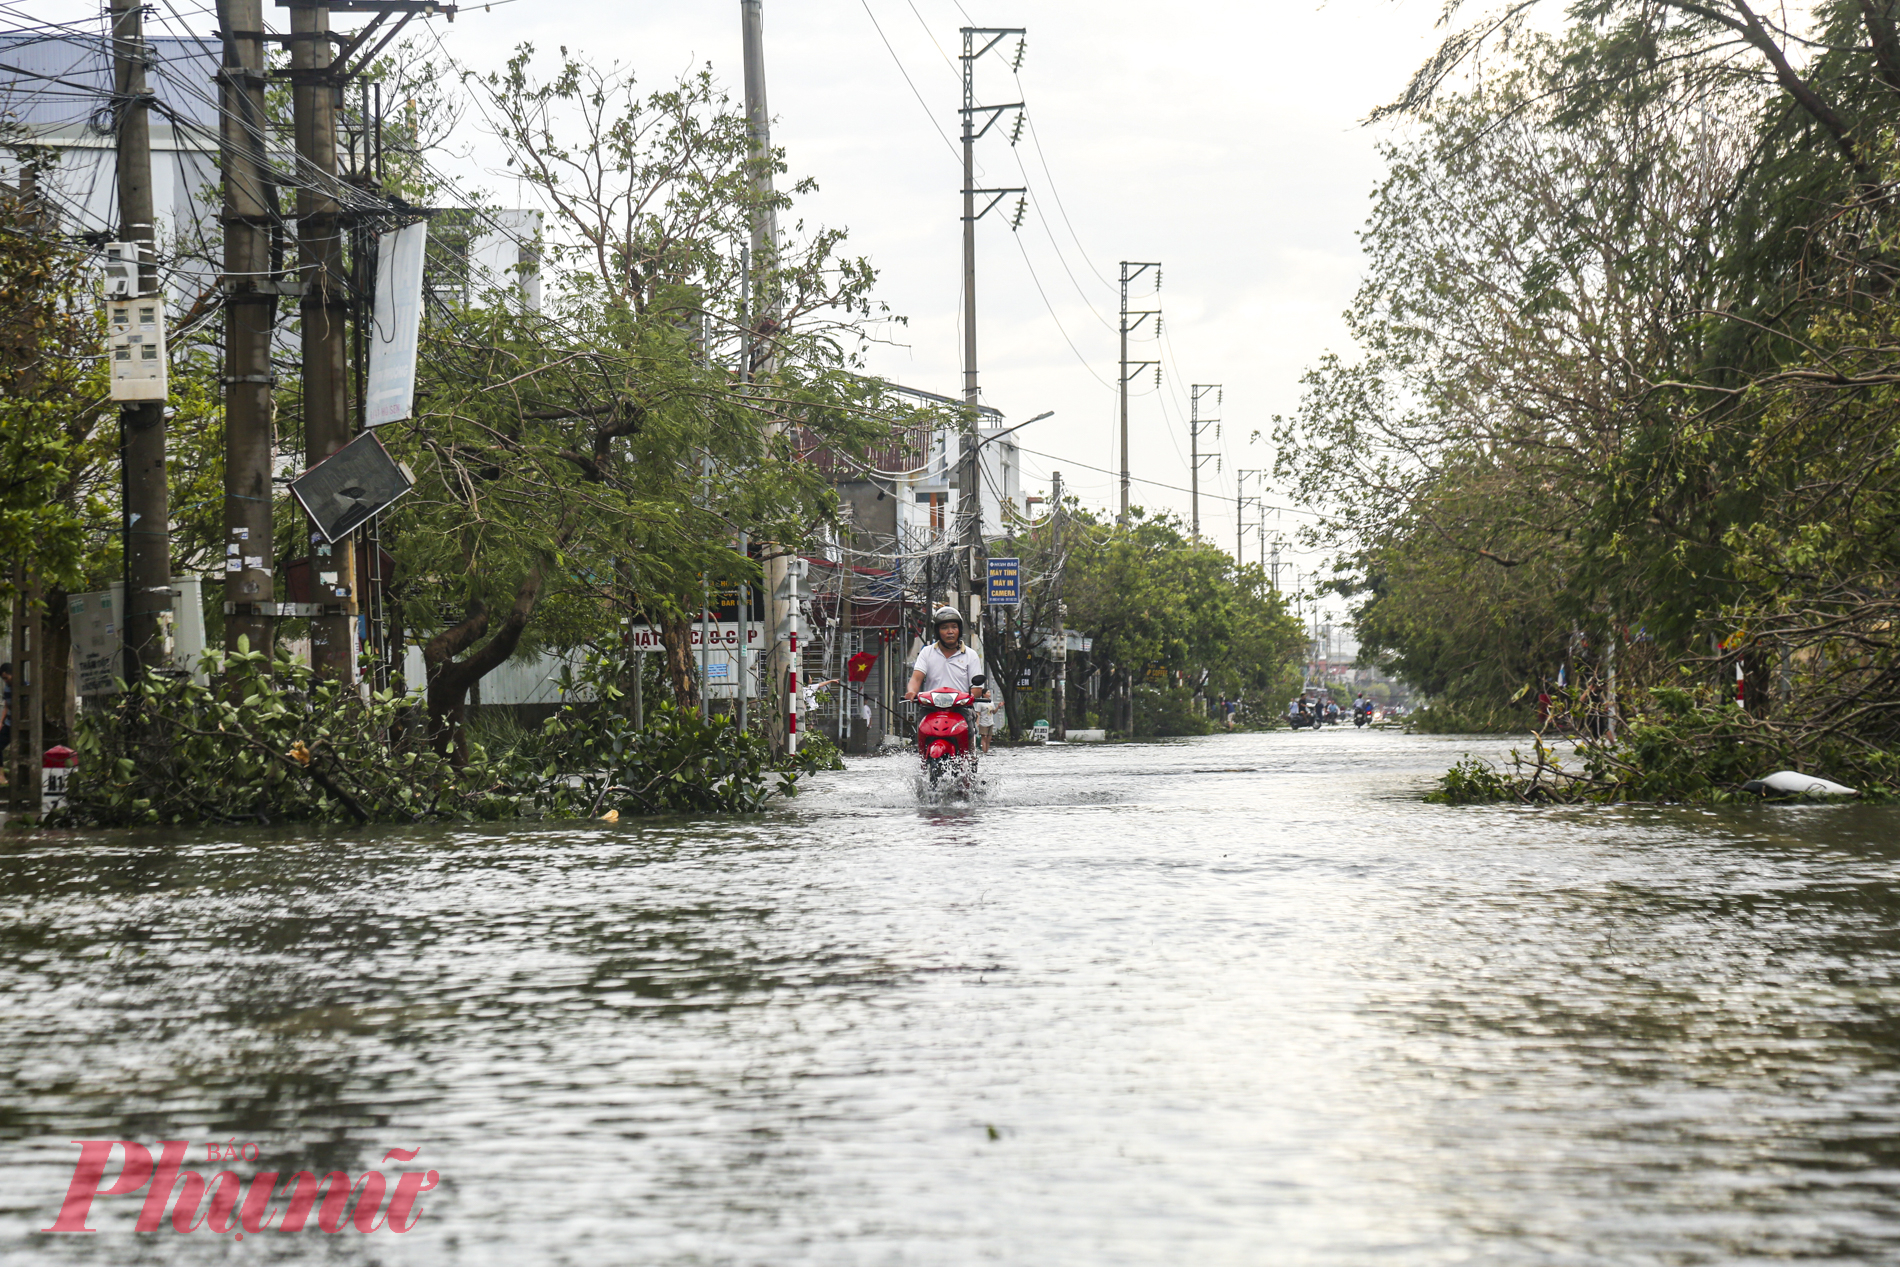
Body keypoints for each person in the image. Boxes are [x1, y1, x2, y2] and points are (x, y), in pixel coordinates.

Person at [906, 606, 986, 736]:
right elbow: (916, 678)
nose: (950, 631)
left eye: (954, 627)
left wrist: (970, 697)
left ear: (959, 630)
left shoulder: (971, 655)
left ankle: (970, 756)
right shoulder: (927, 652)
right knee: (921, 736)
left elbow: (976, 688)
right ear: (937, 631)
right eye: (944, 628)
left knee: (969, 736)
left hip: (960, 708)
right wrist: (911, 692)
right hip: (931, 708)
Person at [0, 662, 10, 785]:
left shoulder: (24, 686)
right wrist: (1, 721)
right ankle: (1, 777)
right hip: (9, 723)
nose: (5, 681)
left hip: (22, 724)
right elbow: (7, 705)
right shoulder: (7, 688)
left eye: (6, 678)